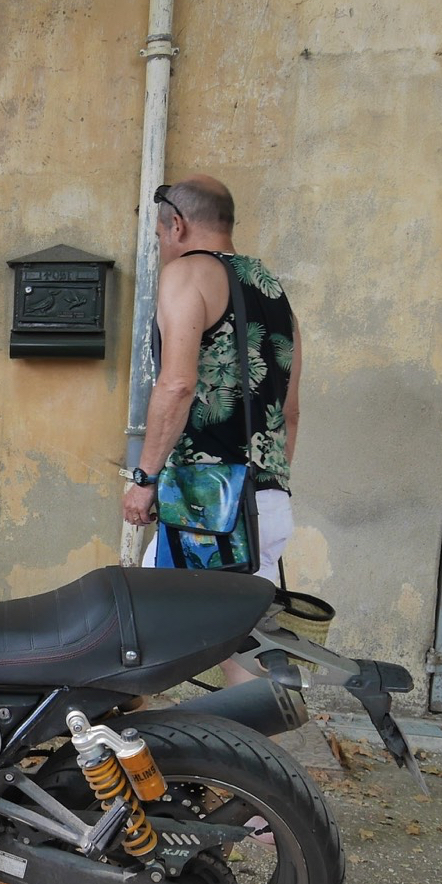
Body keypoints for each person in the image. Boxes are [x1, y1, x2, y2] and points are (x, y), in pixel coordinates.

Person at [123, 176, 301, 679]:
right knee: (238, 649)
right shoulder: (273, 290)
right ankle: (268, 729)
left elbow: (177, 384)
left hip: (206, 506)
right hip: (266, 500)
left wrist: (144, 479)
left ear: (176, 225)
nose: (162, 245)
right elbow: (290, 410)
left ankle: (111, 732)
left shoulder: (187, 275)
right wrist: (264, 489)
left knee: (139, 640)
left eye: (160, 235)